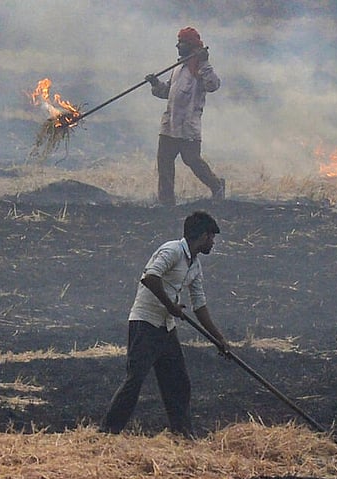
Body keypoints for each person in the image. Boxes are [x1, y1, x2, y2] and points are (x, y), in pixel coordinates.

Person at [101, 211, 230, 437]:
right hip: (145, 323)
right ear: (202, 236)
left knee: (178, 382)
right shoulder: (172, 250)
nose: (213, 243)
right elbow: (150, 277)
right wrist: (170, 306)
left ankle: (182, 434)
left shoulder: (195, 265)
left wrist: (219, 339)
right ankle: (107, 432)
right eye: (211, 238)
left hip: (166, 328)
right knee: (135, 380)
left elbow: (199, 306)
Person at [146, 26, 224, 205]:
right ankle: (166, 201)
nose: (177, 45)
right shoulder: (178, 67)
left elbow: (213, 85)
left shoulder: (199, 68)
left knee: (192, 160)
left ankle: (217, 185)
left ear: (190, 45)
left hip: (187, 126)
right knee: (164, 161)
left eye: (181, 42)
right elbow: (167, 92)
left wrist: (204, 63)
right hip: (169, 124)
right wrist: (155, 83)